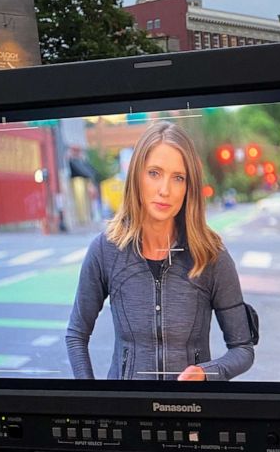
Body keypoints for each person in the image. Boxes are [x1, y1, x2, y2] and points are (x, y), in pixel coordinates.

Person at [66, 120, 257, 381]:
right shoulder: (105, 249)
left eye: (178, 178)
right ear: (137, 176)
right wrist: (91, 401)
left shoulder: (212, 255)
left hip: (192, 412)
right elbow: (76, 335)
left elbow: (243, 349)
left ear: (188, 187)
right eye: (154, 173)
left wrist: (206, 373)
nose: (164, 190)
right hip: (127, 413)